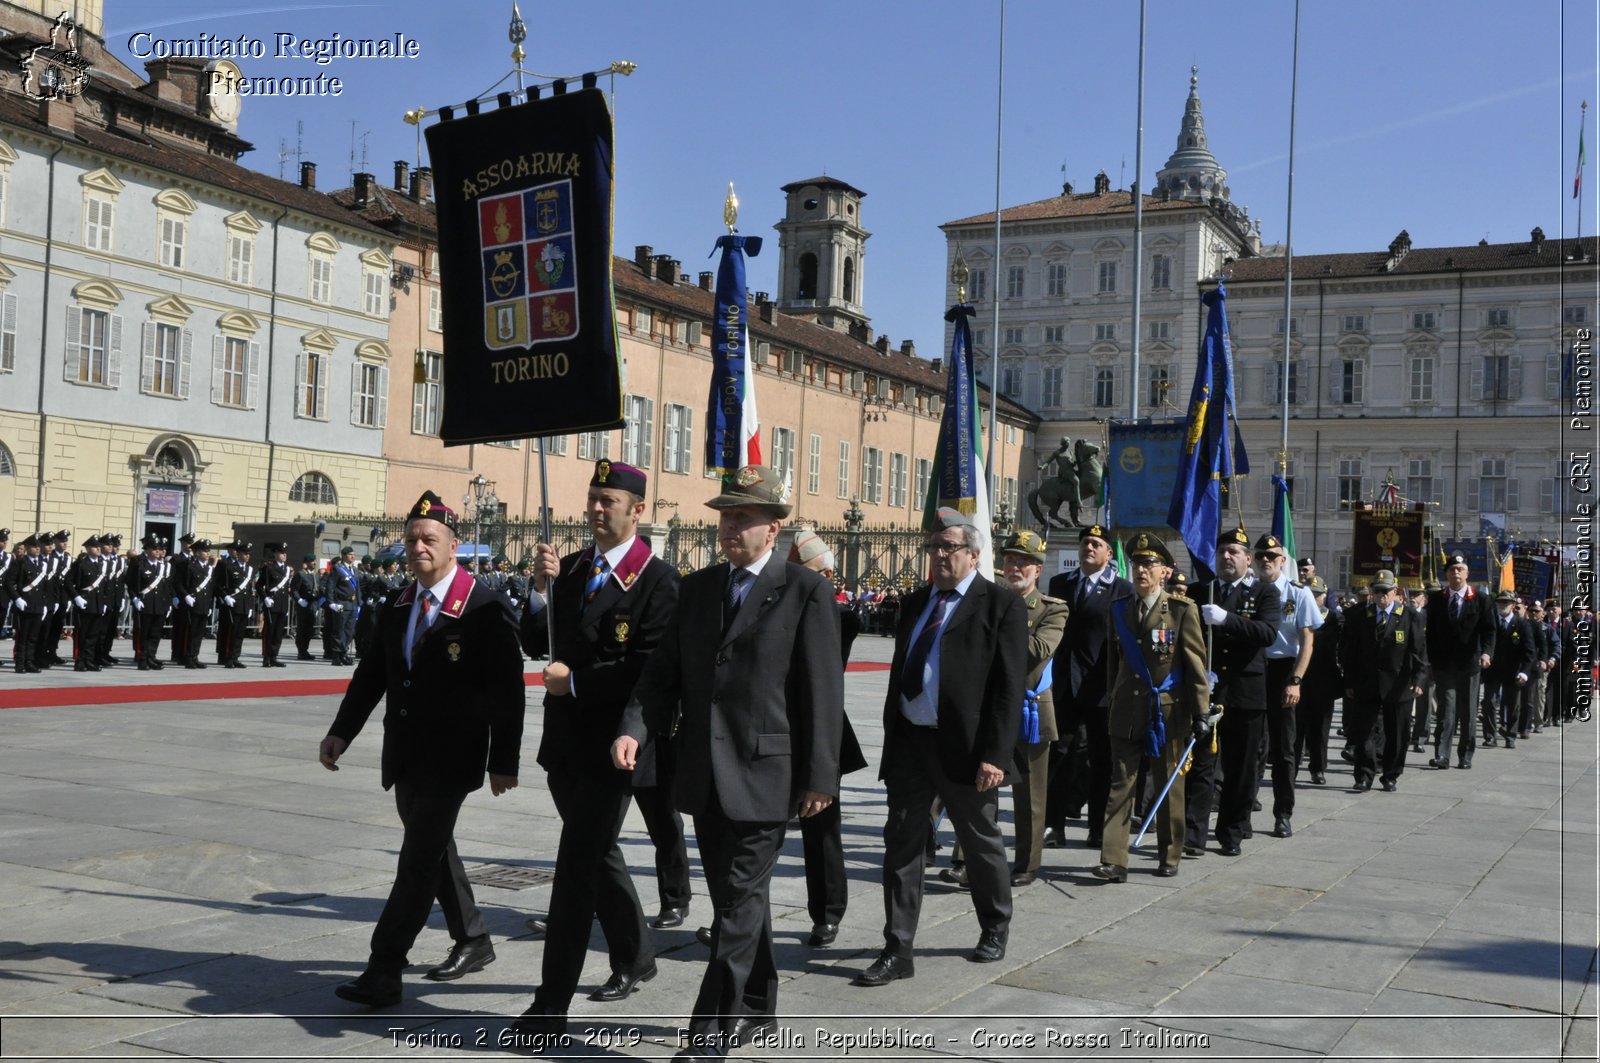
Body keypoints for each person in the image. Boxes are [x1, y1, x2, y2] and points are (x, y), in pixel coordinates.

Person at [610, 465, 842, 1059]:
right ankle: (760, 999)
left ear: (775, 528)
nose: (730, 525)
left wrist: (821, 776)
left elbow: (821, 691)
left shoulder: (805, 591)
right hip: (703, 773)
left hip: (768, 772)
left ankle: (709, 1034)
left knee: (737, 902)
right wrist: (635, 727)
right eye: (725, 515)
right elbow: (662, 675)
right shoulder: (700, 588)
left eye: (744, 516)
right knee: (738, 899)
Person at [320, 491, 526, 1009]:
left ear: (453, 545)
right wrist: (341, 731)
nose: (418, 547)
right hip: (405, 753)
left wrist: (503, 759)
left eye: (429, 538)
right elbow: (372, 674)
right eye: (411, 538)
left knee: (416, 861)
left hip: (453, 756)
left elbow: (508, 690)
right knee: (433, 850)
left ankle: (385, 966)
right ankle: (474, 938)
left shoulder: (483, 606)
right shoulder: (398, 601)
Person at [509, 460, 679, 1035]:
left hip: (617, 746)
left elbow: (648, 669)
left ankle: (550, 1005)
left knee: (576, 864)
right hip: (565, 743)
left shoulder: (657, 580)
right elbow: (539, 641)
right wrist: (538, 591)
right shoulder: (575, 567)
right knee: (598, 853)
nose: (597, 508)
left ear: (638, 510)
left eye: (609, 500)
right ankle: (636, 954)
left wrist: (576, 682)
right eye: (593, 498)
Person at [854, 508, 1026, 989]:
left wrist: (995, 753)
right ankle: (898, 947)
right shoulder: (915, 603)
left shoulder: (1000, 606)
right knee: (902, 844)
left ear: (973, 554)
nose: (939, 556)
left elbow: (1008, 689)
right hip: (912, 742)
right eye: (933, 547)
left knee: (979, 841)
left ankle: (994, 924)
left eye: (949, 547)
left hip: (967, 749)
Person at [1094, 533, 1210, 881]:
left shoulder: (1180, 610)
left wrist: (1201, 712)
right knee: (1121, 784)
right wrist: (1111, 699)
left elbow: (1195, 665)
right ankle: (1114, 859)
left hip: (1167, 710)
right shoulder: (1119, 609)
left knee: (1168, 785)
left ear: (1165, 572)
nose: (1141, 570)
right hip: (1127, 709)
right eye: (1137, 564)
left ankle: (1169, 853)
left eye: (1149, 564)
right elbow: (1115, 664)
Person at [785, 527, 869, 942]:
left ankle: (827, 912)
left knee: (821, 831)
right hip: (770, 731)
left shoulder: (842, 618)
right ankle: (735, 917)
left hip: (819, 735)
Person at [1043, 523, 1133, 849]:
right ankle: (1053, 827)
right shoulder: (1059, 583)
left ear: (1109, 553)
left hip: (1101, 689)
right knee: (1060, 755)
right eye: (1084, 543)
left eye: (1096, 544)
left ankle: (1098, 827)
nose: (1088, 548)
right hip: (1064, 686)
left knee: (1102, 760)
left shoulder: (1121, 588)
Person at [1193, 527, 1280, 857]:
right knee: (1201, 765)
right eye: (1222, 552)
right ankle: (1194, 832)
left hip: (1245, 693)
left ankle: (1231, 830)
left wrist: (1226, 619)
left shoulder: (1264, 593)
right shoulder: (1203, 590)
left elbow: (1267, 633)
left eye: (1234, 552)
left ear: (1248, 559)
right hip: (1209, 691)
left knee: (1241, 767)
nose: (1226, 557)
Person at [995, 530, 1066, 887]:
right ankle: (965, 859)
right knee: (978, 792)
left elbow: (1038, 650)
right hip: (990, 710)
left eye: (1023, 561)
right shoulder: (989, 600)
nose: (1015, 567)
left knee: (1030, 798)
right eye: (1010, 559)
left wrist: (1007, 615)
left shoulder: (1052, 608)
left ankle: (1027, 863)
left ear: (1038, 570)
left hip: (1030, 710)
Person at [1253, 534, 1320, 839]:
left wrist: (1296, 680)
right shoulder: (1249, 591)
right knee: (1250, 745)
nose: (1265, 561)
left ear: (1283, 560)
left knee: (1283, 749)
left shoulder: (1298, 594)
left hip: (1283, 670)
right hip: (1253, 669)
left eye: (1271, 556)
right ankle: (1243, 807)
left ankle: (1283, 813)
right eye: (1260, 556)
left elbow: (1307, 641)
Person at [1340, 570, 1427, 791]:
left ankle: (1391, 774)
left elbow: (1419, 652)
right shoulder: (1360, 615)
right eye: (1377, 591)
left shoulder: (1409, 616)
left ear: (1395, 592)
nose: (1381, 596)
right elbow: (1349, 652)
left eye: (1385, 591)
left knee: (1397, 733)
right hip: (1366, 684)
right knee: (1363, 733)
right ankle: (1364, 775)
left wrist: (1418, 679)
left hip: (1398, 684)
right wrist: (1349, 682)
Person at [1424, 554, 1495, 770]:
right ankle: (1441, 754)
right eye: (1452, 569)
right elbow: (1430, 634)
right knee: (1446, 710)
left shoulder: (1481, 599)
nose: (1455, 572)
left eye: (1460, 569)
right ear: (1446, 573)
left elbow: (1490, 630)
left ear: (1467, 573)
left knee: (1468, 711)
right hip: (1444, 665)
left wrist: (1486, 653)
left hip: (1470, 664)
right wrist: (1429, 662)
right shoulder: (1437, 599)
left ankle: (1465, 754)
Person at [1293, 577, 1342, 784]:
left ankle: (1318, 768)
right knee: (1296, 729)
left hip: (1324, 682)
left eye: (1316, 595)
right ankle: (1291, 768)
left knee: (1320, 729)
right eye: (1309, 595)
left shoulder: (1334, 619)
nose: (1313, 599)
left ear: (1324, 597)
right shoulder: (1297, 615)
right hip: (1300, 680)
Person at [1483, 590, 1536, 750]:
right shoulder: (1490, 621)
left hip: (1513, 671)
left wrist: (1524, 672)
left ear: (1513, 605)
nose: (1502, 605)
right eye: (1500, 602)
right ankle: (1490, 735)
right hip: (1492, 670)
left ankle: (1510, 735)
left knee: (1513, 705)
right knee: (1489, 702)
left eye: (1506, 602)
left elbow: (1529, 651)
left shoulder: (1522, 624)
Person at [127, 533, 172, 670]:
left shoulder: (162, 566)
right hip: (145, 604)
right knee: (144, 633)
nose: (157, 551)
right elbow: (130, 583)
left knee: (155, 633)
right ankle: (143, 659)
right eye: (154, 548)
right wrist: (134, 598)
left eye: (159, 548)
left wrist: (168, 603)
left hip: (159, 604)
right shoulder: (139, 564)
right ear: (146, 550)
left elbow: (166, 586)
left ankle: (151, 657)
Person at [174, 538, 217, 669]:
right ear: (197, 553)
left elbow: (210, 588)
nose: (207, 553)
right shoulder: (188, 565)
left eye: (208, 550)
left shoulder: (208, 568)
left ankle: (194, 656)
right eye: (205, 550)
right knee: (190, 632)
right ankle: (187, 657)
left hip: (203, 604)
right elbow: (178, 582)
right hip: (192, 604)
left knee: (199, 633)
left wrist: (209, 604)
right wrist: (185, 596)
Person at [70, 535, 109, 672]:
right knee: (83, 634)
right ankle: (80, 661)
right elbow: (68, 582)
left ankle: (89, 660)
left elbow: (105, 585)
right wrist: (76, 598)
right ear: (87, 548)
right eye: (94, 546)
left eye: (99, 546)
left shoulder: (101, 564)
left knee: (93, 635)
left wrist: (104, 601)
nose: (98, 548)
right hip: (85, 604)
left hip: (97, 605)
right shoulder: (81, 564)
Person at [214, 541, 255, 668]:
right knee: (230, 632)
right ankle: (227, 657)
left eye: (249, 554)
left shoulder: (249, 569)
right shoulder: (229, 567)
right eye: (245, 553)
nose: (247, 556)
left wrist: (250, 607)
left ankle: (235, 657)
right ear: (238, 554)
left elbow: (249, 590)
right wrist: (225, 596)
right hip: (232, 605)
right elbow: (218, 585)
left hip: (243, 605)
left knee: (240, 634)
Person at [9, 534, 46, 672]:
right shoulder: (20, 563)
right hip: (24, 604)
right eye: (35, 547)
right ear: (28, 548)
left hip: (37, 605)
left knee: (33, 636)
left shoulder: (41, 564)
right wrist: (17, 598)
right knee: (23, 636)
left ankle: (29, 662)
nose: (37, 549)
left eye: (38, 547)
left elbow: (44, 586)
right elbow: (9, 582)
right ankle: (20, 663)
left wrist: (45, 604)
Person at [257, 543, 293, 667]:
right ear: (276, 554)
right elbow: (258, 586)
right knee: (269, 631)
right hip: (271, 604)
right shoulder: (269, 568)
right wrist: (265, 598)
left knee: (278, 633)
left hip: (282, 605)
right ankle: (266, 657)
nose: (284, 555)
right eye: (282, 553)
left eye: (285, 553)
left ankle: (274, 656)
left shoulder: (287, 569)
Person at [324, 546, 361, 665]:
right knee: (339, 631)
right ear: (344, 555)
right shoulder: (337, 569)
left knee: (349, 631)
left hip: (353, 604)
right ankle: (336, 656)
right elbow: (330, 587)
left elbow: (357, 588)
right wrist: (331, 603)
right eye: (350, 554)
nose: (353, 556)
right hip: (341, 603)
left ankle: (343, 653)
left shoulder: (354, 570)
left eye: (353, 554)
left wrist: (359, 603)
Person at [293, 553, 321, 661]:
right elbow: (294, 589)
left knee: (310, 630)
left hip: (313, 606)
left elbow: (317, 590)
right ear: (307, 563)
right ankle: (301, 651)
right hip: (303, 606)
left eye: (314, 561)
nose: (314, 563)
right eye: (312, 561)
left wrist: (318, 604)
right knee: (302, 629)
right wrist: (299, 600)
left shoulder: (316, 575)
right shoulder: (300, 574)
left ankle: (305, 650)